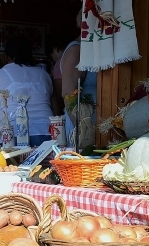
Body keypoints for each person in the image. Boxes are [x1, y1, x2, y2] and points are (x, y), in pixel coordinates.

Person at [0, 36, 53, 147]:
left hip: (13, 134)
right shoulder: (44, 75)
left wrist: (5, 126)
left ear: (7, 56)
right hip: (46, 132)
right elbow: (55, 110)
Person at [60, 8, 97, 150]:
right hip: (82, 127)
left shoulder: (94, 50)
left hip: (94, 126)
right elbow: (68, 94)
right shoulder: (76, 50)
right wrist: (84, 129)